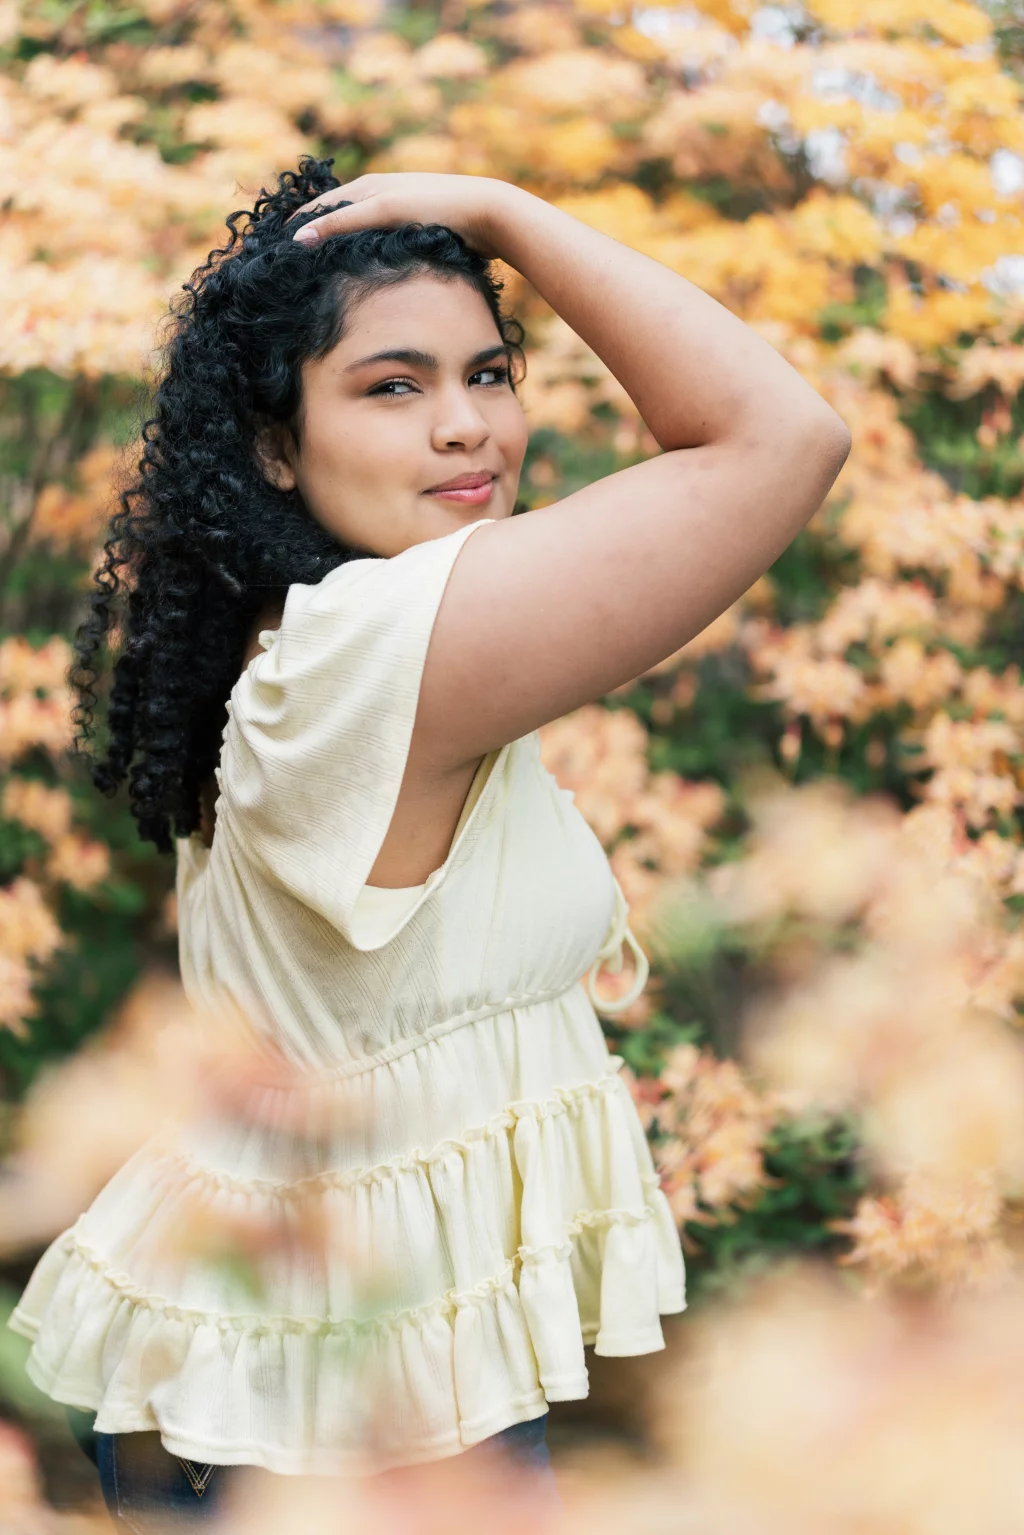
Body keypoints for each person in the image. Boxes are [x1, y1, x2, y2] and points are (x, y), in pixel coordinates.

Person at [8, 158, 851, 1527]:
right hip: (321, 1408)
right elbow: (781, 438)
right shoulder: (373, 648)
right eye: (394, 385)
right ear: (275, 446)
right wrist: (507, 213)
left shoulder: (329, 627)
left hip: (323, 1368)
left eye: (491, 372)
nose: (468, 427)